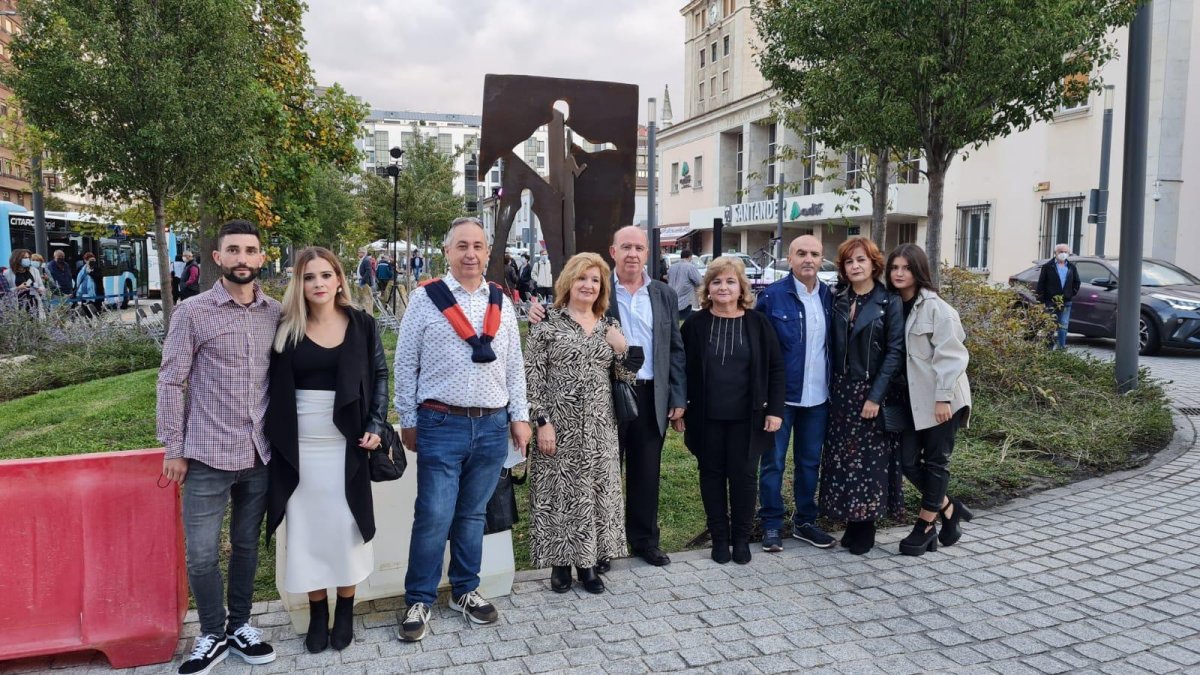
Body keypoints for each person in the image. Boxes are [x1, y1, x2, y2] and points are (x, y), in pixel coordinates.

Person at [393, 216, 531, 642]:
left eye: (478, 246)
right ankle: (418, 597)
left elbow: (513, 365)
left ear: (488, 253)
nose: (470, 254)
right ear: (447, 252)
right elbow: (404, 363)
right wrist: (409, 420)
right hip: (440, 422)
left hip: (491, 425)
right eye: (461, 246)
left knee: (472, 514)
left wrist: (519, 416)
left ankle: (465, 590)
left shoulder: (501, 301)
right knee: (433, 515)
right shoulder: (424, 300)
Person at [157, 219, 281, 675]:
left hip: (259, 454)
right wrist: (173, 446)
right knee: (203, 552)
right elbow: (171, 379)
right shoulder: (192, 312)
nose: (242, 259)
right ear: (217, 257)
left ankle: (242, 625)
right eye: (234, 251)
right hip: (206, 453)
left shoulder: (276, 312)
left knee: (247, 545)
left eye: (250, 251)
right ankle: (211, 633)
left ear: (262, 258)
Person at [529, 226, 686, 567]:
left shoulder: (663, 294)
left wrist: (678, 396)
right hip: (603, 397)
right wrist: (536, 313)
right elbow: (561, 316)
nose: (633, 253)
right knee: (600, 475)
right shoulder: (597, 283)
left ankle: (644, 540)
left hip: (649, 395)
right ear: (613, 251)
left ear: (648, 253)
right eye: (626, 246)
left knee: (646, 471)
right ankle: (597, 549)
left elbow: (674, 348)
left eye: (639, 247)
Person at [264, 247, 388, 653]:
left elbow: (379, 375)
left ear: (339, 279)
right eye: (309, 277)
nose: (318, 283)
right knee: (307, 534)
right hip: (299, 449)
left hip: (346, 445)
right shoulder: (286, 328)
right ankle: (318, 613)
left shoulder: (361, 324)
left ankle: (346, 609)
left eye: (325, 275)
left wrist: (376, 424)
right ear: (298, 284)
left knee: (344, 529)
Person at [525, 252, 640, 594]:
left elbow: (625, 379)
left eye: (595, 280)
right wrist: (541, 421)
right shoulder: (546, 326)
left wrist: (622, 350)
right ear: (568, 282)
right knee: (560, 495)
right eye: (582, 278)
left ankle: (588, 565)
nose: (588, 285)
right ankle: (560, 566)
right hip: (558, 426)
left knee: (594, 495)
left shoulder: (610, 327)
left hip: (600, 428)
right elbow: (532, 378)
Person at [678, 256, 784, 565]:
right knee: (711, 476)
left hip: (748, 417)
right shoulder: (695, 325)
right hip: (705, 416)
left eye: (730, 281)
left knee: (744, 476)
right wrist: (680, 407)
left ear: (741, 288)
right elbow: (681, 368)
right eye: (716, 281)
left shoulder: (758, 323)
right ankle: (720, 539)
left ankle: (741, 539)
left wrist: (775, 410)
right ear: (707, 288)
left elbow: (776, 369)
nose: (723, 287)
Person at [819, 237, 905, 555]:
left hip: (869, 392)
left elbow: (895, 352)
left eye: (861, 260)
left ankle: (865, 526)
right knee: (843, 459)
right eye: (849, 262)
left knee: (869, 462)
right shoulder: (838, 298)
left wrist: (875, 396)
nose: (855, 266)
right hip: (840, 392)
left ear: (873, 264)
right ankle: (850, 521)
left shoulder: (888, 301)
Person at [886, 244, 973, 556]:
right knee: (908, 461)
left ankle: (924, 526)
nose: (898, 273)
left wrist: (943, 398)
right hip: (913, 401)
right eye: (894, 267)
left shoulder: (937, 308)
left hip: (942, 399)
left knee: (936, 461)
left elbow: (952, 355)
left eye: (906, 268)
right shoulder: (894, 305)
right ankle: (950, 508)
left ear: (918, 271)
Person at [754, 234, 837, 553]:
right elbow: (761, 352)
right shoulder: (772, 297)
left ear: (821, 260)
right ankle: (771, 524)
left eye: (814, 254)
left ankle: (805, 522)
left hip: (818, 399)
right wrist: (764, 397)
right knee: (773, 463)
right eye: (801, 253)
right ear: (789, 259)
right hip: (781, 400)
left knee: (809, 462)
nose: (808, 259)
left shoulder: (830, 297)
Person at [1036, 243, 1080, 350]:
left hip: (1066, 301)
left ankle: (1061, 347)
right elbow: (1041, 283)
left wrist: (1070, 293)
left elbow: (1077, 282)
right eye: (1061, 251)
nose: (1063, 254)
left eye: (1065, 252)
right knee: (1050, 325)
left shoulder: (1071, 267)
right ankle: (1049, 347)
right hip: (1050, 301)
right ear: (1055, 253)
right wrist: (1042, 299)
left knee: (1063, 325)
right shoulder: (1048, 266)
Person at [667, 248, 703, 321]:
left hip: (671, 300)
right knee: (685, 322)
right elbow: (699, 281)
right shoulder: (690, 267)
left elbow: (668, 278)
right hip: (685, 301)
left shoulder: (672, 267)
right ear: (690, 257)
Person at [355, 248, 375, 314]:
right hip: (361, 280)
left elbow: (368, 271)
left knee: (364, 298)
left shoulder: (366, 260)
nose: (358, 253)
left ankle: (366, 312)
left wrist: (363, 280)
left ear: (363, 253)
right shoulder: (362, 260)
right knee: (362, 297)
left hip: (364, 281)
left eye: (359, 252)